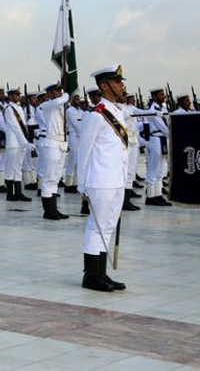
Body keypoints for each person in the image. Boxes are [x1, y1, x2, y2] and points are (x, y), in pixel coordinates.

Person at [77, 64, 129, 292]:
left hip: (116, 178)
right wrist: (82, 184)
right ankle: (91, 275)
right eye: (117, 82)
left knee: (107, 226)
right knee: (96, 227)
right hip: (100, 180)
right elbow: (83, 151)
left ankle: (102, 274)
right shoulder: (96, 116)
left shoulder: (117, 112)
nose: (121, 85)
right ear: (104, 85)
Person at [36, 83, 70, 220]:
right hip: (51, 144)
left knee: (55, 178)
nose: (59, 93)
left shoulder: (59, 107)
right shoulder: (47, 105)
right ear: (49, 94)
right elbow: (61, 100)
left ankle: (54, 209)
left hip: (60, 144)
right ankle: (48, 211)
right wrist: (67, 94)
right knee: (48, 178)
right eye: (56, 91)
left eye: (60, 91)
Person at [3, 87, 33, 202]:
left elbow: (23, 126)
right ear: (10, 96)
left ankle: (18, 192)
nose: (18, 96)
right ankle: (10, 194)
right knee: (11, 169)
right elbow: (15, 127)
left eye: (18, 94)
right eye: (16, 94)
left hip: (21, 143)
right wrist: (25, 142)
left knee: (18, 168)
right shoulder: (9, 109)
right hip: (13, 143)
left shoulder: (19, 108)